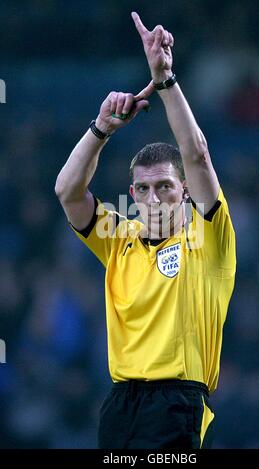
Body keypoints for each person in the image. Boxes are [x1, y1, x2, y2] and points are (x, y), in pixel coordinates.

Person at [55, 11, 236, 449]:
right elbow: (67, 191)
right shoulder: (120, 240)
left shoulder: (208, 237)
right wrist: (101, 129)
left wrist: (166, 79)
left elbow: (197, 154)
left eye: (165, 187)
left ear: (186, 191)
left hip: (177, 402)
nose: (154, 198)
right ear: (132, 193)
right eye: (144, 188)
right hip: (120, 404)